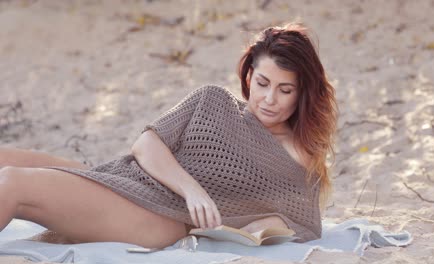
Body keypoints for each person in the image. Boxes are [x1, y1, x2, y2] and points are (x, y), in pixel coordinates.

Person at [0, 23, 337, 249]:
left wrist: (264, 223)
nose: (269, 99)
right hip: (124, 178)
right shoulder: (213, 99)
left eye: (285, 90)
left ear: (302, 93)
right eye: (262, 83)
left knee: (12, 183)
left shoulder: (296, 156)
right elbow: (146, 143)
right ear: (249, 76)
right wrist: (191, 189)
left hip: (156, 218)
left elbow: (301, 223)